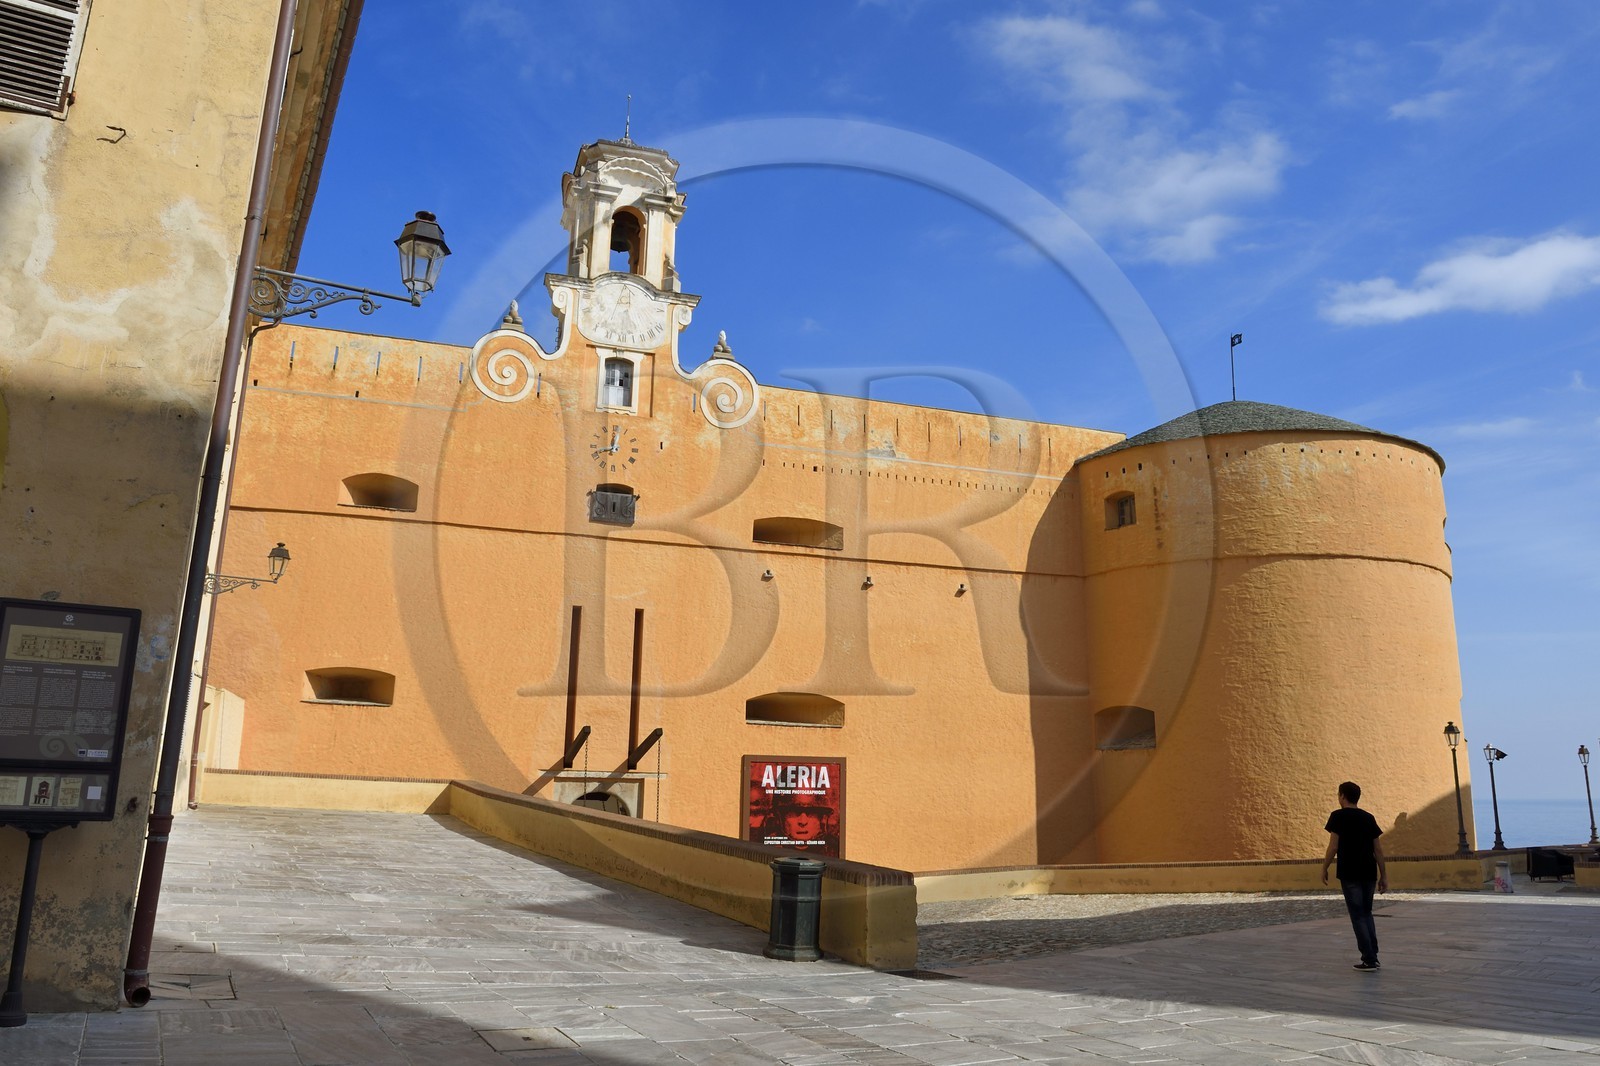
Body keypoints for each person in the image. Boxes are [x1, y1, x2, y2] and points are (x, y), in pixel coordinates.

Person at [1320, 780, 1388, 971]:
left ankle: (1369, 958)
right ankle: (1373, 955)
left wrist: (1324, 867)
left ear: (1342, 796)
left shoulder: (1337, 816)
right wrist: (1384, 875)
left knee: (1357, 915)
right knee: (1366, 913)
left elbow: (1333, 846)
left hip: (1349, 871)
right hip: (1368, 871)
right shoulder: (1368, 817)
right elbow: (1378, 850)